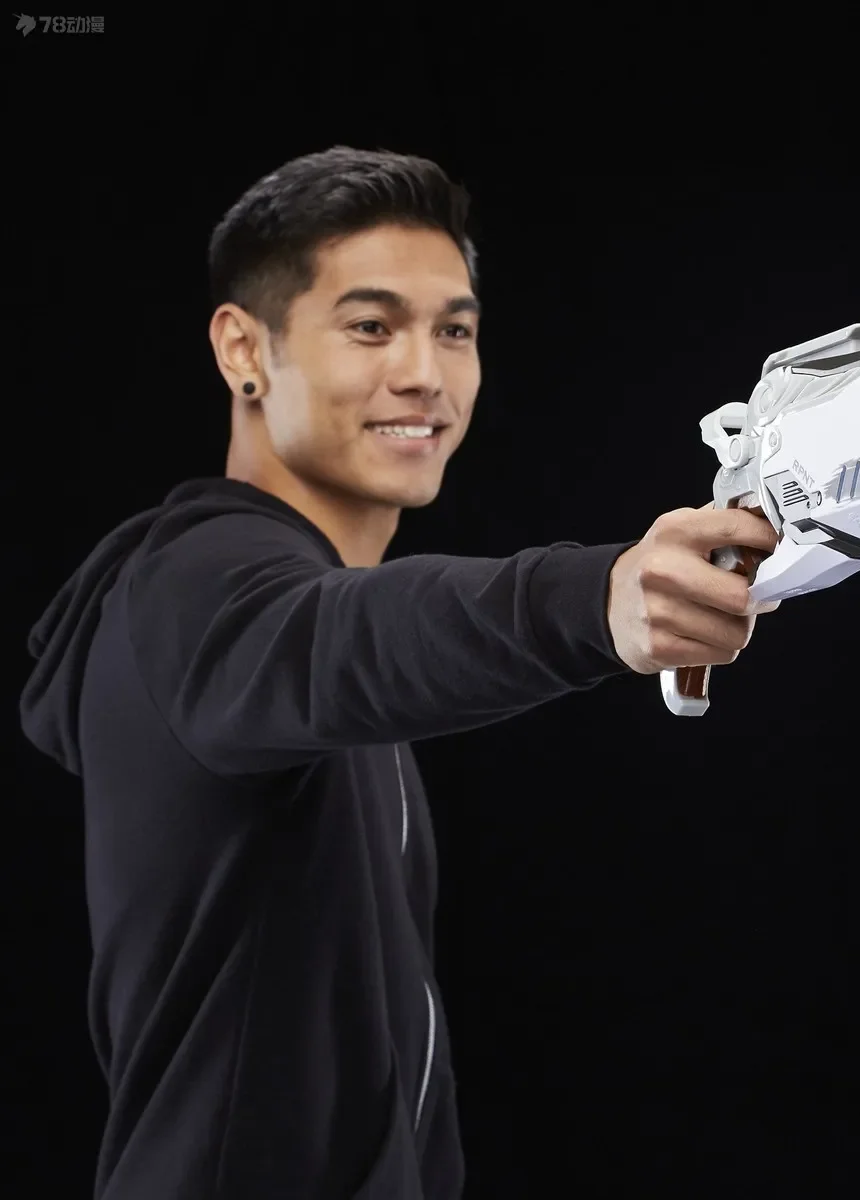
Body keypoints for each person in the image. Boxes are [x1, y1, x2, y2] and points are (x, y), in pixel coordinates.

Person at [19, 146, 780, 1199]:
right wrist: (593, 599)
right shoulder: (194, 581)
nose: (425, 373)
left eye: (454, 330)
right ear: (244, 349)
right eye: (372, 326)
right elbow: (348, 638)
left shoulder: (296, 624)